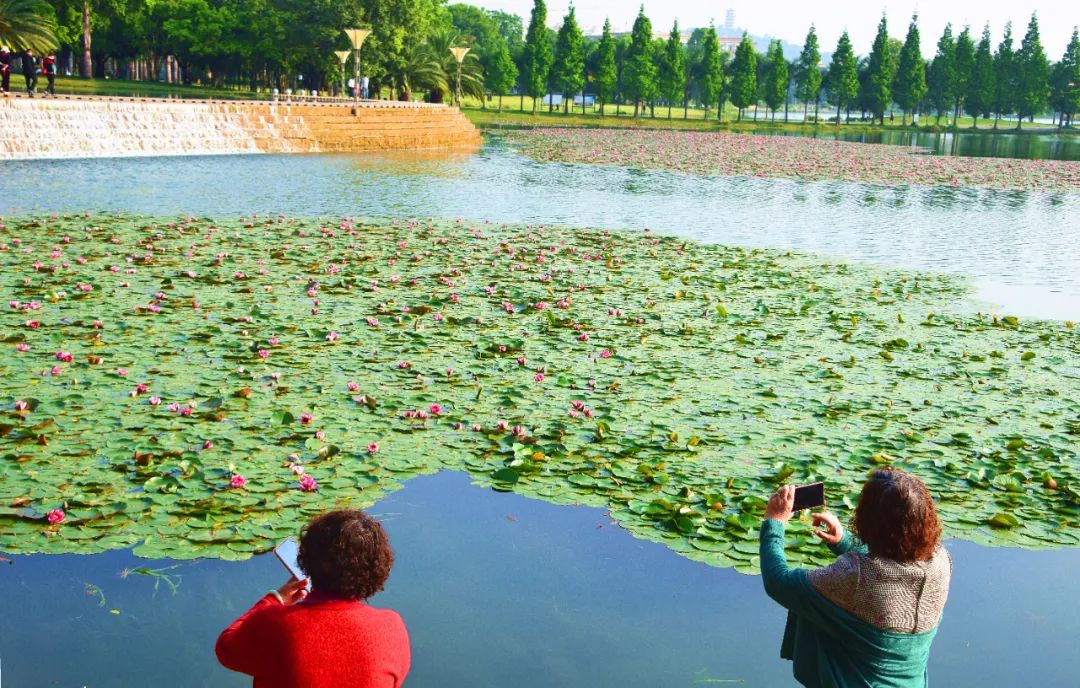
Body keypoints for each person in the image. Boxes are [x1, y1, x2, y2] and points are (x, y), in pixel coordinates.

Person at [759, 468, 952, 688]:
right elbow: (894, 562)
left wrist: (774, 522)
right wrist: (844, 541)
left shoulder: (856, 576)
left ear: (868, 520)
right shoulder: (941, 561)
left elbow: (778, 582)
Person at [216, 510, 410, 688]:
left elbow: (226, 649)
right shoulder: (392, 626)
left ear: (307, 560)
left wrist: (274, 599)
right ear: (378, 568)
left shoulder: (275, 623)